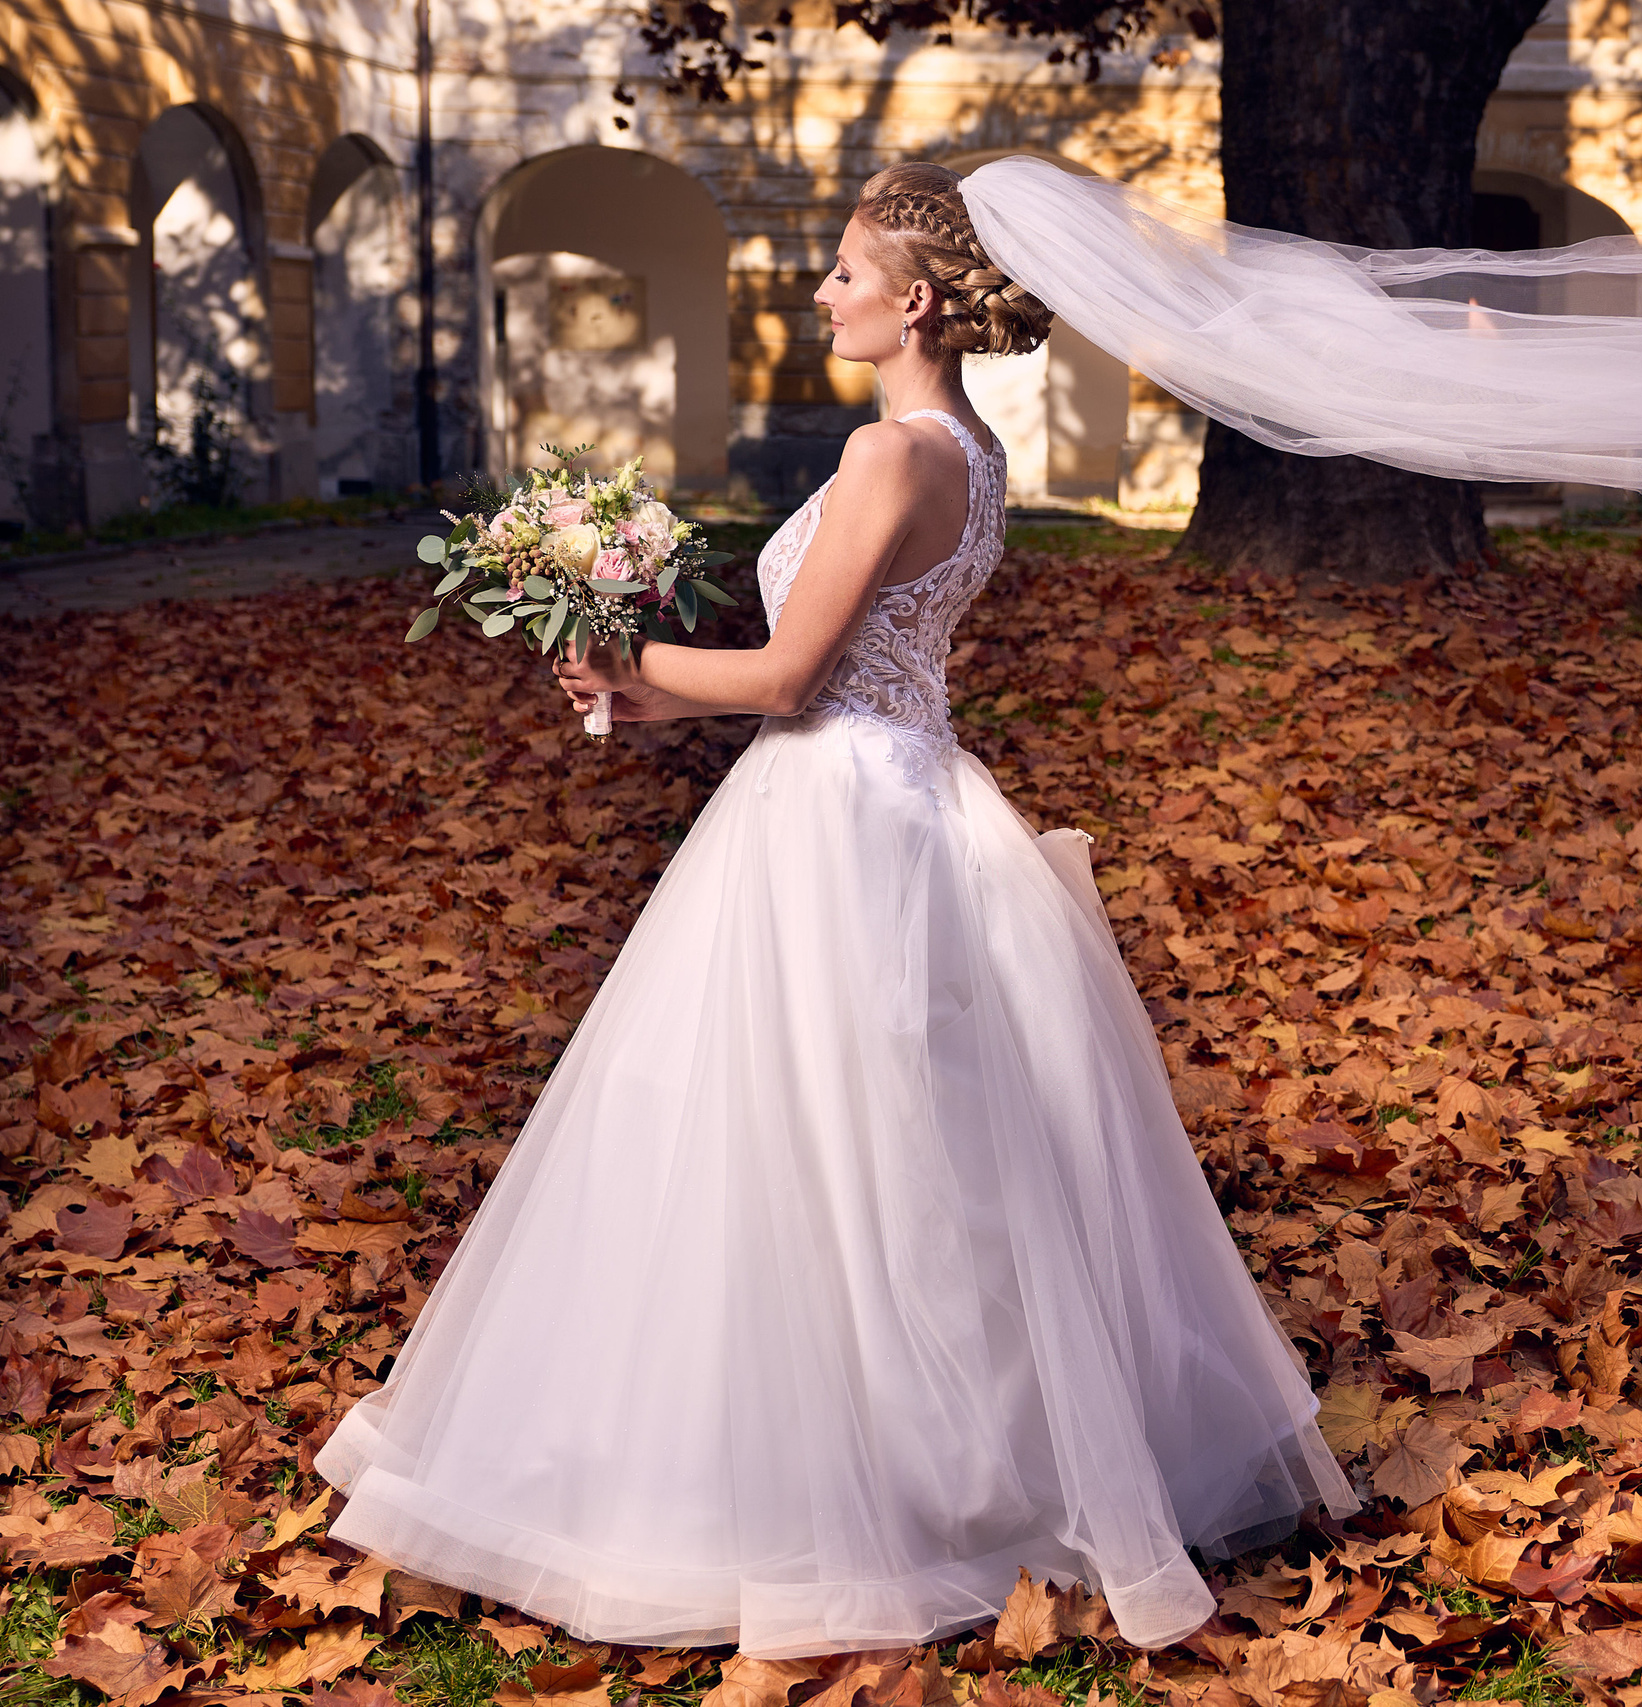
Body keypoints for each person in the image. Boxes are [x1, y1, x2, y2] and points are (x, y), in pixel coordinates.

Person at [313, 162, 1356, 1659]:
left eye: (846, 272)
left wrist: (630, 671)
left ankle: (818, 1495)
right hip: (905, 792)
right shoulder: (971, 452)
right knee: (911, 1153)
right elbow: (826, 673)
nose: (823, 292)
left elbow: (791, 680)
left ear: (916, 301)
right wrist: (652, 687)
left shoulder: (891, 461)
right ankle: (964, 1461)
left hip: (839, 814)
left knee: (789, 1138)